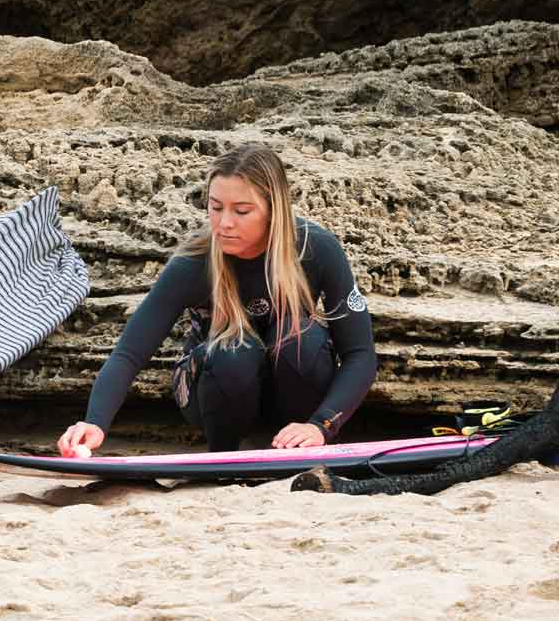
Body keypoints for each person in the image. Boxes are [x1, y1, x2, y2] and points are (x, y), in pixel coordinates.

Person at [58, 143, 376, 457]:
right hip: (218, 392)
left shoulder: (316, 249)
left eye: (241, 211)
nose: (224, 223)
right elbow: (129, 353)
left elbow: (360, 354)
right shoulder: (193, 262)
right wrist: (95, 422)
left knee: (300, 341)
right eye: (215, 206)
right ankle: (223, 455)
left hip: (294, 399)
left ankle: (300, 445)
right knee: (234, 349)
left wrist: (321, 425)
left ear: (273, 210)